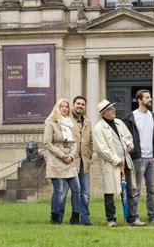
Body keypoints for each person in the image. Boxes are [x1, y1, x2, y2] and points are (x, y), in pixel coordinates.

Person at [93, 99, 137, 227]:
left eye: (113, 108)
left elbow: (128, 137)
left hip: (126, 162)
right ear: (104, 113)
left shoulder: (119, 122)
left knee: (129, 191)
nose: (114, 111)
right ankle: (111, 219)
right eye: (111, 109)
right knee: (110, 192)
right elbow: (101, 149)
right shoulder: (98, 128)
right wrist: (116, 160)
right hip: (111, 165)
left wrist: (130, 144)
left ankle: (131, 218)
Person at [124, 89, 154, 226]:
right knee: (135, 190)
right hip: (137, 158)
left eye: (150, 97)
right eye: (147, 97)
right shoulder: (130, 117)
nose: (150, 99)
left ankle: (152, 217)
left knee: (152, 190)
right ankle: (133, 218)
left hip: (151, 158)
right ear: (140, 100)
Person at [44, 98, 81, 224]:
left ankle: (75, 217)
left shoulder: (69, 123)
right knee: (59, 191)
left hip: (69, 161)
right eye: (62, 106)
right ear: (57, 108)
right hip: (56, 161)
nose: (65, 109)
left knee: (76, 189)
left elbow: (74, 142)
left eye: (66, 107)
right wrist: (62, 155)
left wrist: (71, 156)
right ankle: (55, 217)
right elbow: (47, 143)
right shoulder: (50, 123)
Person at [59, 96, 93, 225]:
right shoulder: (66, 120)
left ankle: (84, 219)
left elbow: (90, 141)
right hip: (69, 162)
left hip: (84, 163)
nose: (80, 106)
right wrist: (64, 156)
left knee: (85, 193)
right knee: (63, 192)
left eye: (83, 104)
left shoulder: (87, 121)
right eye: (78, 103)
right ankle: (58, 218)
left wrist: (89, 155)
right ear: (73, 105)